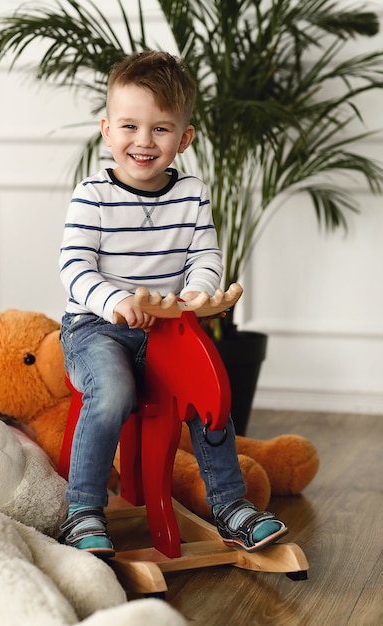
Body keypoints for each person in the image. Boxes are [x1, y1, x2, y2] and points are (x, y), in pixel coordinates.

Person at [58, 50, 287, 558]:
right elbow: (74, 268)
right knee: (113, 390)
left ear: (183, 139)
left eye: (160, 129)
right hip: (96, 329)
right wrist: (116, 302)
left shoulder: (190, 193)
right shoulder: (92, 195)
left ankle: (229, 504)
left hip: (165, 330)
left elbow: (205, 253)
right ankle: (82, 509)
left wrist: (198, 291)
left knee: (210, 389)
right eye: (130, 126)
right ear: (107, 128)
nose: (143, 141)